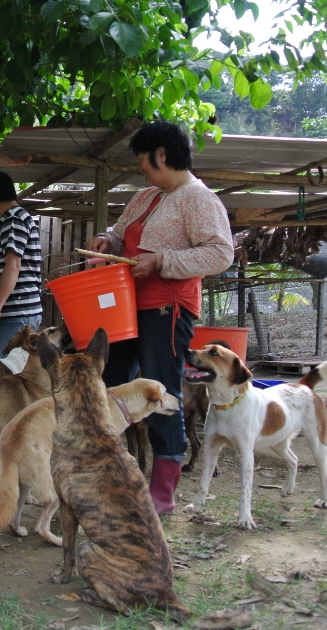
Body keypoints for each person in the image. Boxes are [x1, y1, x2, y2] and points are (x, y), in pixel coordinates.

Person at [86, 120, 233, 514]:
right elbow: (119, 233)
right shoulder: (146, 195)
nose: (143, 170)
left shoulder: (199, 199)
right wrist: (107, 239)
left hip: (167, 309)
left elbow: (221, 253)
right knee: (108, 383)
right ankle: (107, 475)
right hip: (125, 308)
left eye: (145, 163)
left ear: (162, 155)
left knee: (160, 391)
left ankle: (162, 493)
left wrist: (162, 261)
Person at [0, 171, 43, 362]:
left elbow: (13, 264)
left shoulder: (13, 219)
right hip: (3, 315)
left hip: (15, 316)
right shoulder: (12, 220)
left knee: (11, 382)